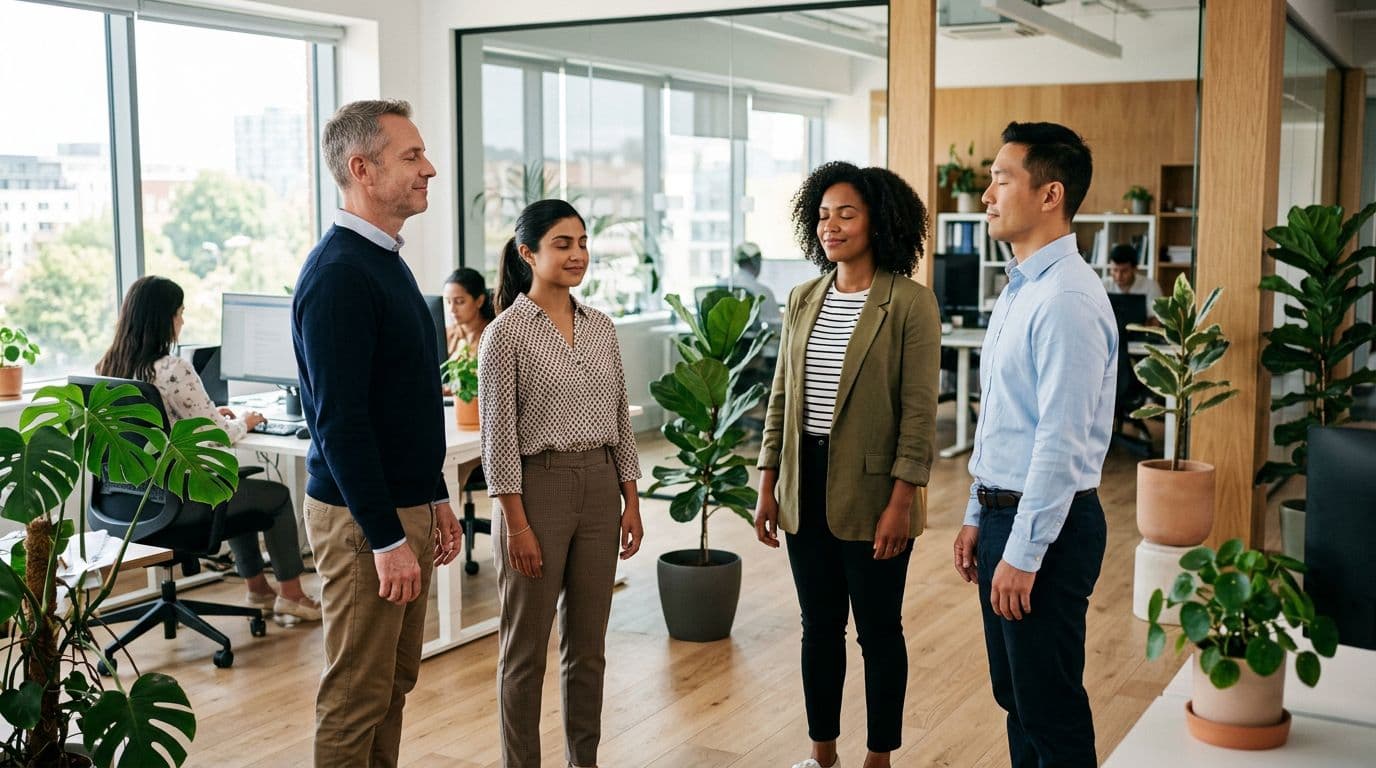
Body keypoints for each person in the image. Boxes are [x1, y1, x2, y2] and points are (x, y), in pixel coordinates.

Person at [291, 99, 463, 768]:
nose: (430, 169)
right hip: (366, 520)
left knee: (393, 682)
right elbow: (341, 423)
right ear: (361, 169)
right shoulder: (339, 274)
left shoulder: (382, 260)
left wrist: (434, 498)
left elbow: (403, 404)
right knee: (356, 694)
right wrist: (390, 536)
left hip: (401, 506)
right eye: (412, 157)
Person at [753, 161, 941, 768]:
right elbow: (782, 396)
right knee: (818, 628)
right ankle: (821, 753)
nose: (830, 225)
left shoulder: (910, 303)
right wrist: (766, 485)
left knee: (880, 632)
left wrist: (900, 502)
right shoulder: (802, 298)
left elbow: (918, 413)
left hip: (875, 492)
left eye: (847, 213)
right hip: (804, 486)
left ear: (877, 220)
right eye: (823, 214)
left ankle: (879, 757)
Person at [951, 122, 1117, 768]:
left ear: (1050, 195)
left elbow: (1059, 443)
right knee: (1016, 699)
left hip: (1045, 526)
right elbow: (1002, 422)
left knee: (1050, 711)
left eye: (1001, 178)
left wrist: (1022, 552)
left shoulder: (1067, 299)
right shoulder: (1021, 289)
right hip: (1003, 515)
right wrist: (975, 514)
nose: (987, 193)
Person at [479, 198, 645, 768]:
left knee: (589, 648)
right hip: (537, 492)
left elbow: (619, 417)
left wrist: (631, 499)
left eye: (581, 243)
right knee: (524, 652)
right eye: (561, 244)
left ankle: (585, 761)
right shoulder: (504, 334)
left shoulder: (601, 326)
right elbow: (497, 440)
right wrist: (516, 524)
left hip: (602, 487)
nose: (577, 255)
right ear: (528, 254)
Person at [95, 275, 321, 623]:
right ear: (164, 319)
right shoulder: (173, 368)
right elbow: (215, 436)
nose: (182, 322)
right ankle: (292, 595)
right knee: (273, 496)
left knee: (233, 485)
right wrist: (243, 422)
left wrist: (217, 414)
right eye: (180, 313)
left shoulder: (107, 369)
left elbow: (174, 421)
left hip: (125, 502)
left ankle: (259, 589)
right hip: (180, 503)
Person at [443, 266, 495, 359]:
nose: (452, 309)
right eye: (448, 301)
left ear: (479, 301)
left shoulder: (492, 336)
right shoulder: (445, 335)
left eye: (459, 302)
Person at [730, 241, 783, 327]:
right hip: (754, 340)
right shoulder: (764, 292)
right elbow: (776, 327)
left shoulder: (721, 284)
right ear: (756, 262)